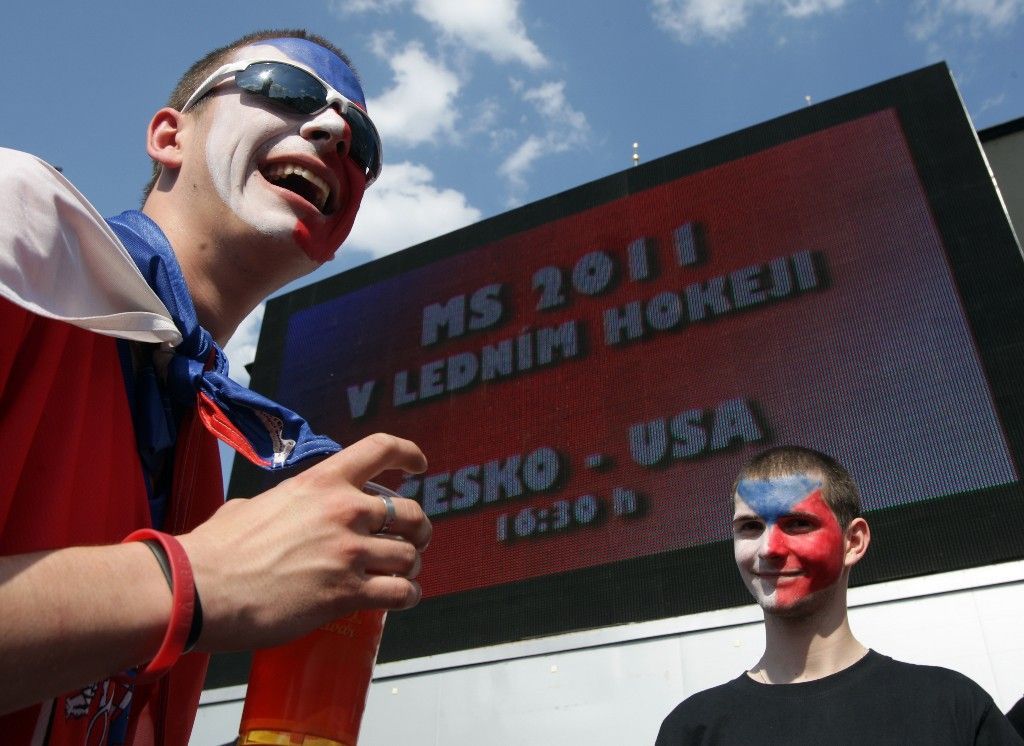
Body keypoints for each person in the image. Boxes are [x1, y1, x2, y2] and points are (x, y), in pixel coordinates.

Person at [0, 30, 432, 744]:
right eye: (285, 92)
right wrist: (193, 582)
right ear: (169, 136)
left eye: (363, 144)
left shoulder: (208, 442)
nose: (332, 133)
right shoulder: (19, 225)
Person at [655, 446, 1023, 745]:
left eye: (798, 523)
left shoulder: (949, 706)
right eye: (750, 527)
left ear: (854, 541)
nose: (768, 548)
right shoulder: (693, 730)